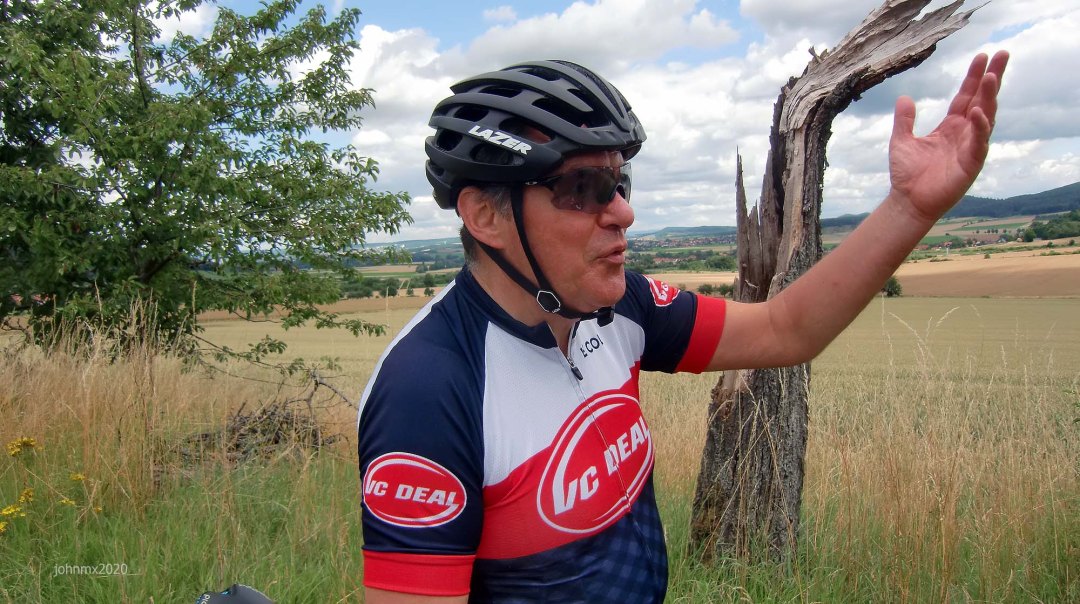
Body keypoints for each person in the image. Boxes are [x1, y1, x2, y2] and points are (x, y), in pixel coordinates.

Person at [356, 52, 1009, 602]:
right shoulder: (429, 388)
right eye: (583, 187)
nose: (623, 212)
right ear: (485, 216)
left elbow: (787, 330)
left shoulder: (619, 307)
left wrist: (909, 207)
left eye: (620, 181)